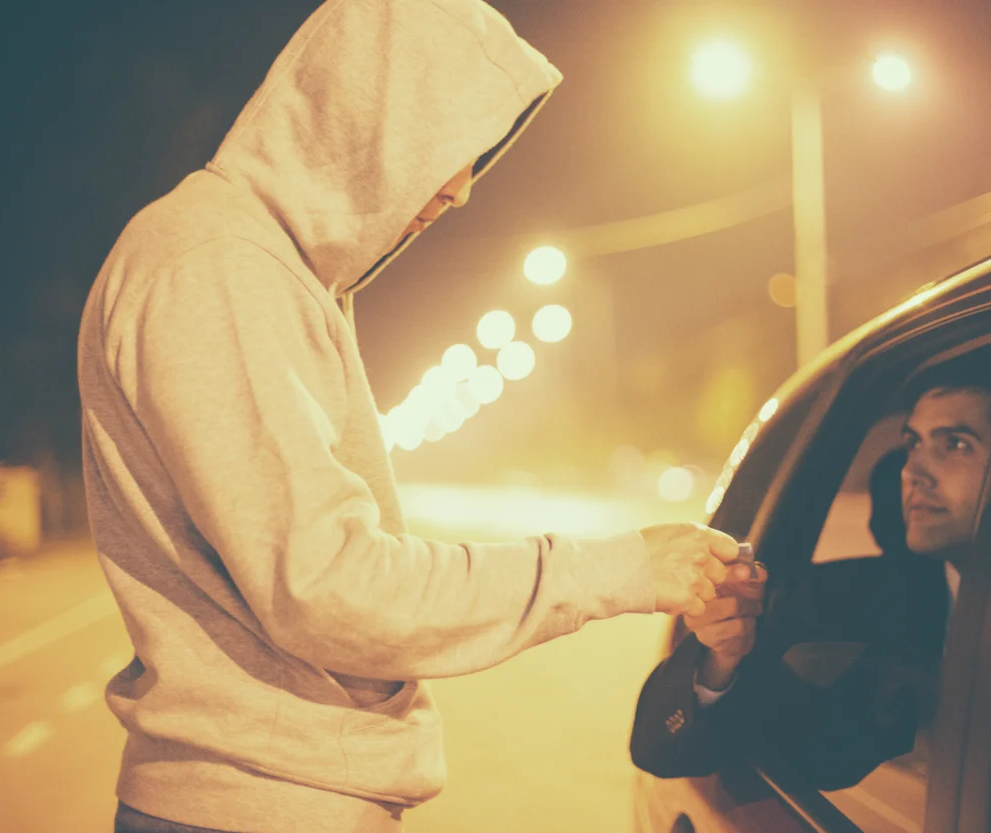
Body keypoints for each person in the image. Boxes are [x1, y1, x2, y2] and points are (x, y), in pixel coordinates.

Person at [77, 2, 739, 832]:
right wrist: (615, 569)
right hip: (258, 805)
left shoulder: (264, 270)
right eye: (445, 144)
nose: (460, 188)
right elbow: (327, 587)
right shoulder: (220, 267)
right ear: (366, 117)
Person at [630, 346, 991, 785]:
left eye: (955, 445)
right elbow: (660, 749)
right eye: (913, 443)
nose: (914, 472)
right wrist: (723, 659)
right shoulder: (833, 603)